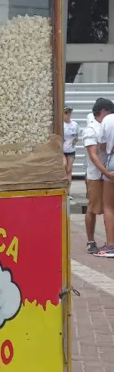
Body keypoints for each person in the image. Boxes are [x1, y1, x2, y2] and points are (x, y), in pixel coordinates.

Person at [83, 98, 114, 254]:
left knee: (109, 208)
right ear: (103, 111)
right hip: (96, 175)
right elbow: (93, 155)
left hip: (107, 175)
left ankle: (109, 241)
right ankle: (91, 241)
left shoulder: (107, 125)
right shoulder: (91, 129)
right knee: (93, 208)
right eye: (110, 112)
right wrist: (106, 172)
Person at [96, 108, 114, 257]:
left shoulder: (108, 120)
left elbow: (102, 145)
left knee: (109, 205)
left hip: (112, 160)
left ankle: (110, 245)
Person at [63, 107, 79, 185]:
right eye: (66, 113)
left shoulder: (75, 124)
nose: (68, 115)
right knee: (64, 166)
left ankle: (68, 191)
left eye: (69, 113)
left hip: (71, 150)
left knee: (69, 169)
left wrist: (74, 141)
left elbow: (77, 137)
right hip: (62, 151)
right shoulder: (61, 125)